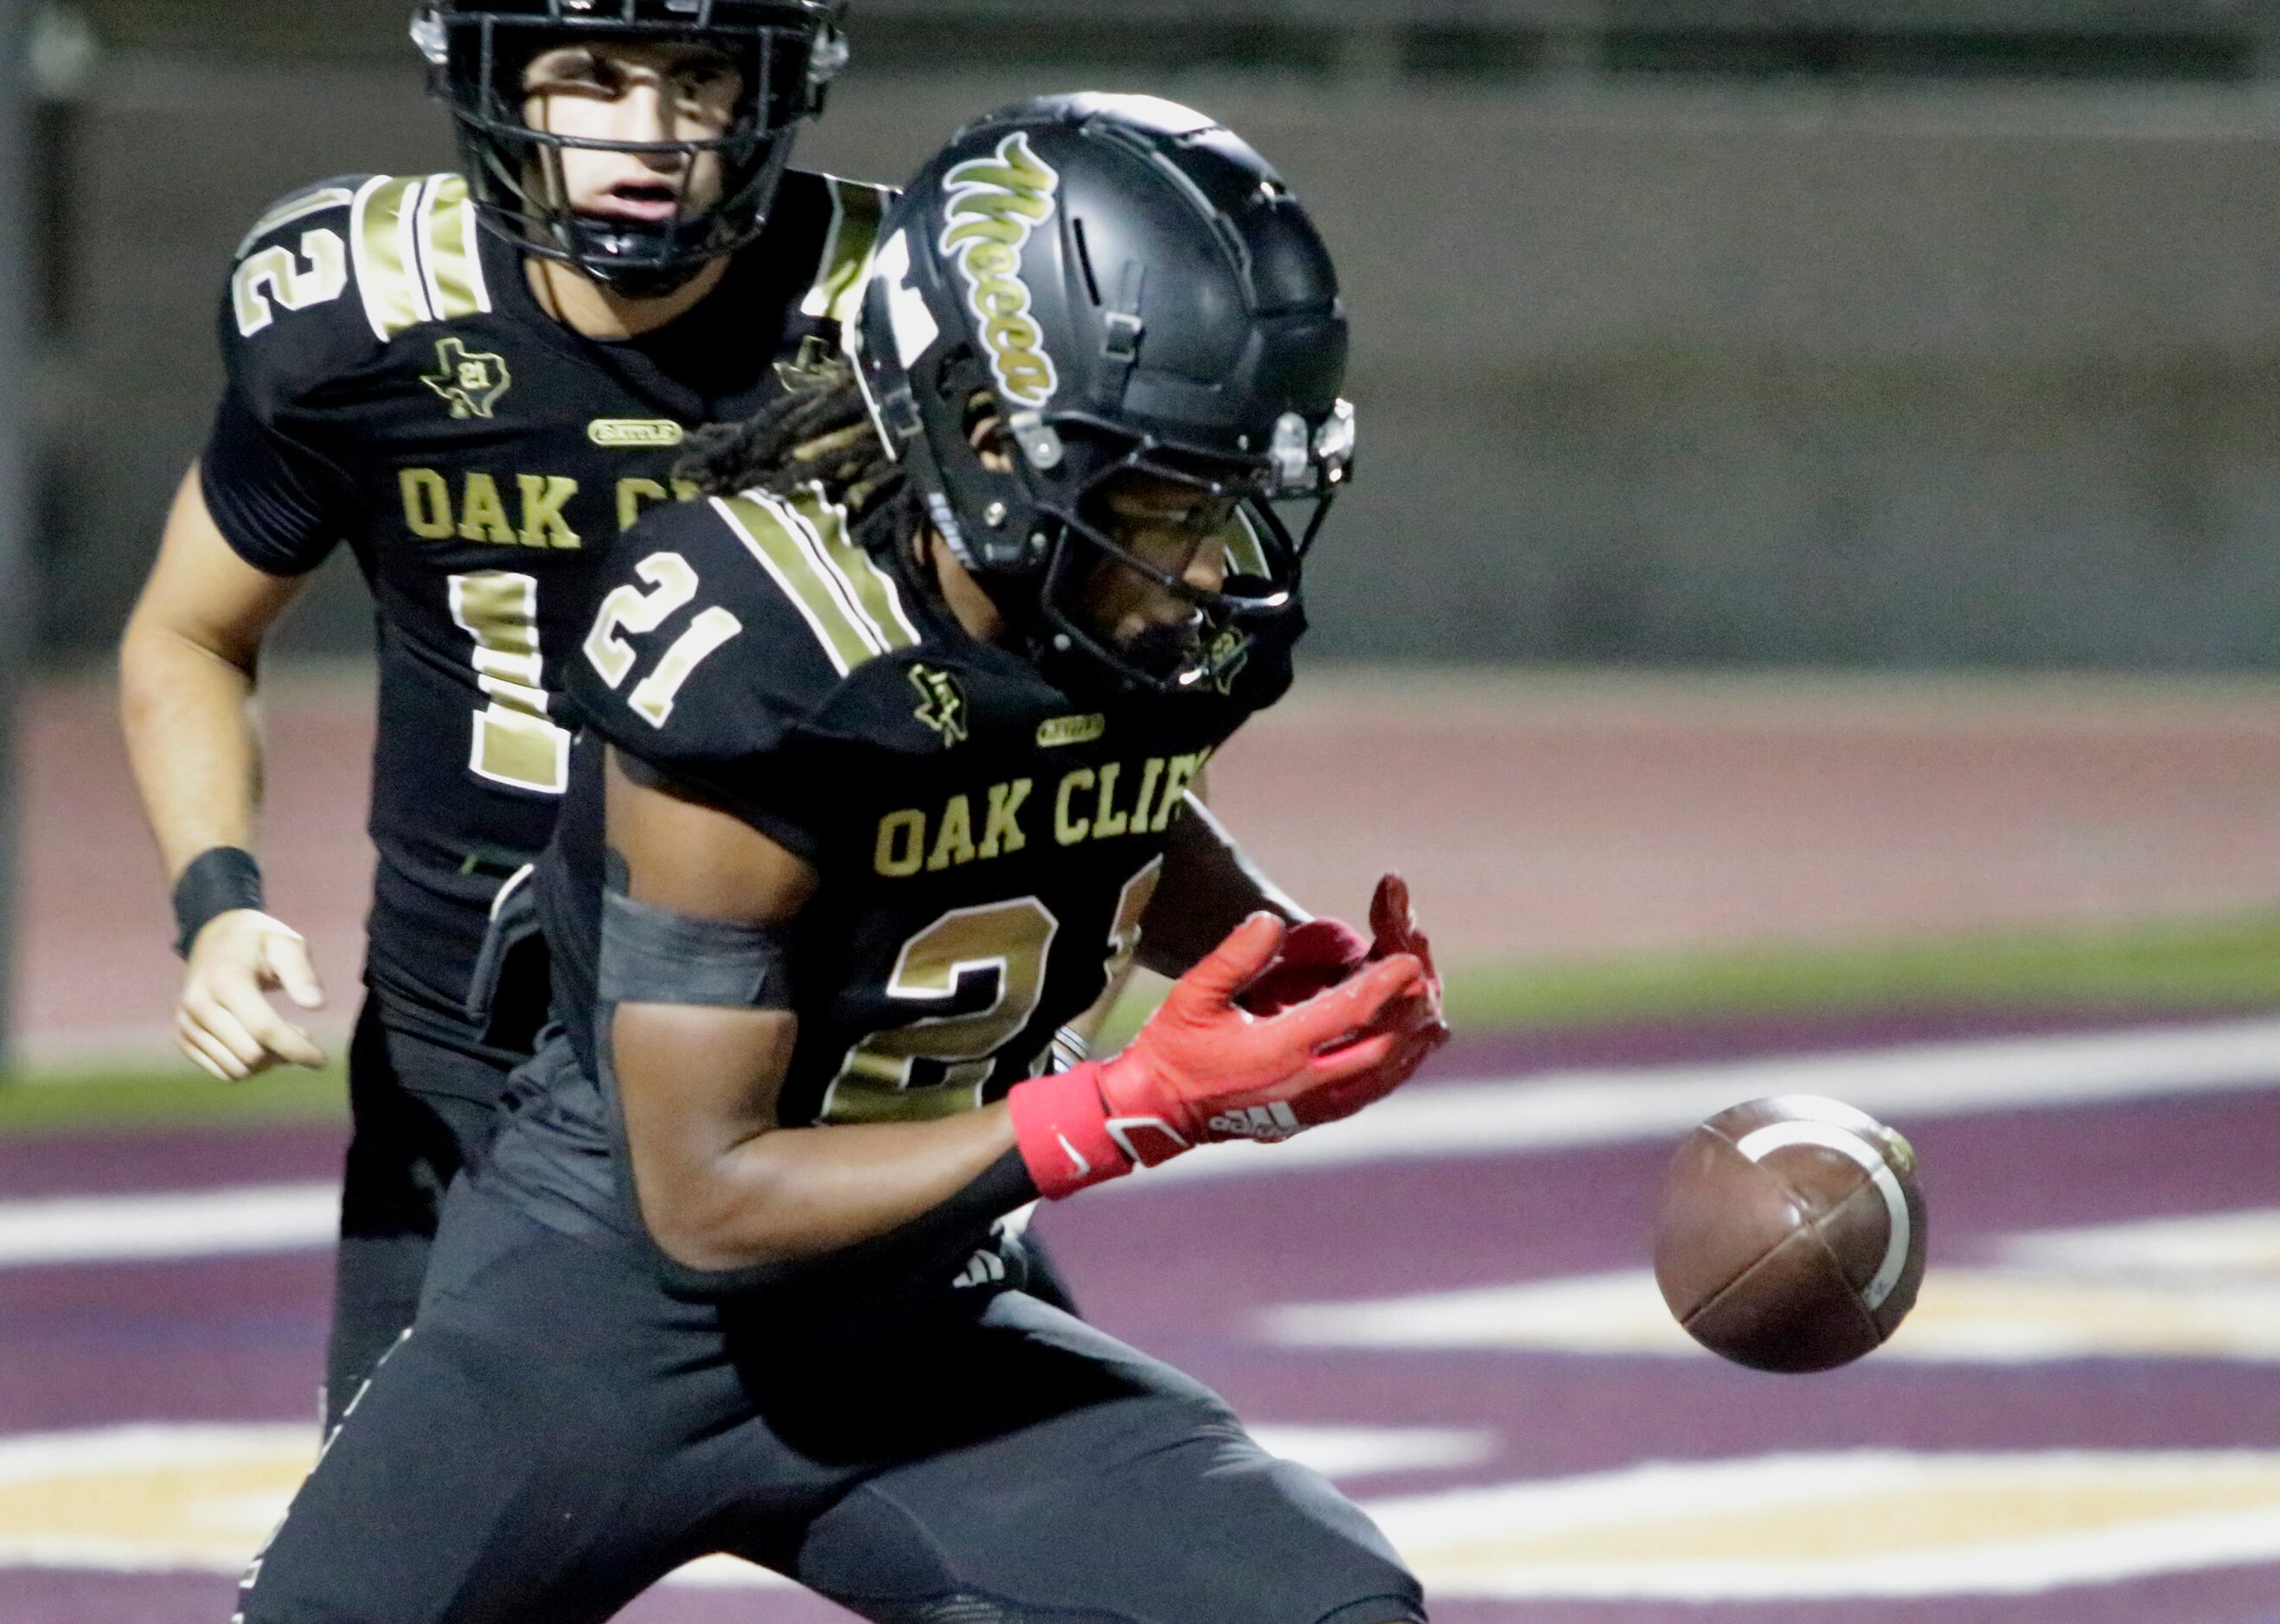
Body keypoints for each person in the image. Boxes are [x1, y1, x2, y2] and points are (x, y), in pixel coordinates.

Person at [231, 93, 1447, 1624]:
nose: (1209, 566)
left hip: (913, 1308)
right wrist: (1127, 1105)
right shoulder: (771, 651)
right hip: (610, 1314)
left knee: (1317, 1607)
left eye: (1232, 496)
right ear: (992, 438)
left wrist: (1269, 953)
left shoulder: (1139, 615)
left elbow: (1103, 788)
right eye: (1164, 497)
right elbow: (710, 1195)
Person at [117, 0, 874, 1428]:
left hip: (804, 1052)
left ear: (774, 88)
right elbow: (192, 629)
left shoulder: (882, 324)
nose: (647, 137)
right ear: (487, 80)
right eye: (587, 77)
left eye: (699, 78)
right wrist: (218, 898)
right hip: (468, 1051)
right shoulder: (365, 315)